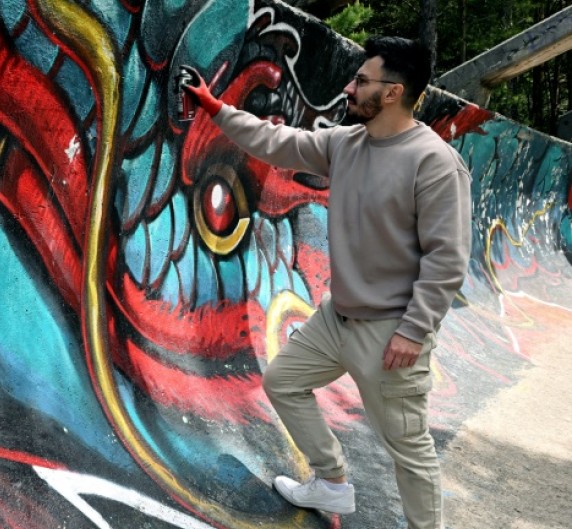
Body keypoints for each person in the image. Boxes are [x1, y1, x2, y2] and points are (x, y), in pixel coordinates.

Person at [182, 36, 471, 529]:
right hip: (338, 318)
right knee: (283, 382)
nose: (348, 87)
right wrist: (217, 108)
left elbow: (446, 260)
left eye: (361, 81)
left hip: (390, 332)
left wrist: (413, 330)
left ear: (393, 93)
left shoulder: (434, 163)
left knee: (408, 446)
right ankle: (331, 485)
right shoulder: (347, 144)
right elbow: (278, 142)